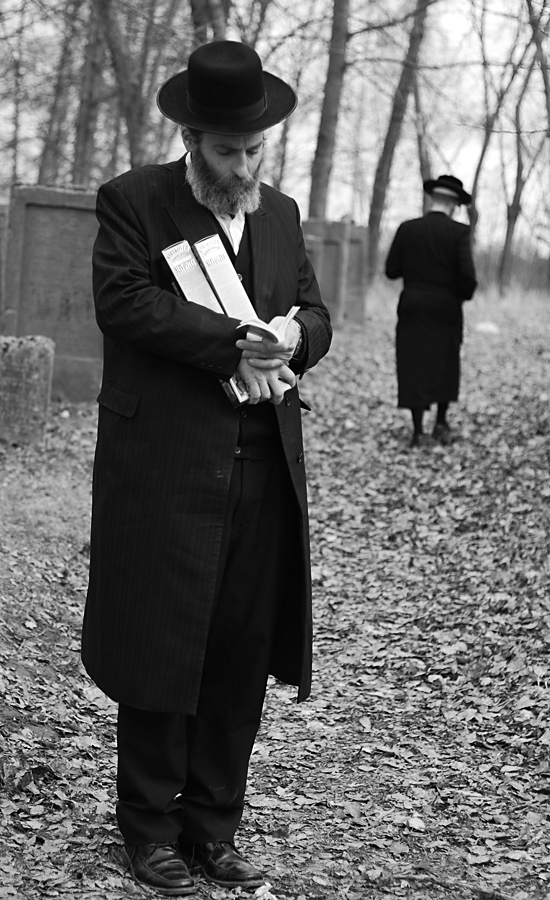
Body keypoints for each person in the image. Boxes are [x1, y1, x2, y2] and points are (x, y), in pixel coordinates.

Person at [81, 40, 332, 897]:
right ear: (190, 138)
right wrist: (234, 340)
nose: (245, 166)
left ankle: (213, 827)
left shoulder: (281, 213)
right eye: (229, 150)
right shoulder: (134, 201)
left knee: (238, 651)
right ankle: (150, 830)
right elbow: (124, 302)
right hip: (165, 463)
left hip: (263, 465)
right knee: (163, 644)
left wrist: (295, 335)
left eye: (255, 148)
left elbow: (315, 311)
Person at [385, 174, 477, 447]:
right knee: (444, 362)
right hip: (446, 307)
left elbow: (391, 270)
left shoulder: (407, 228)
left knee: (413, 362)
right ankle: (440, 423)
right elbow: (468, 277)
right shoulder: (460, 232)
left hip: (412, 305)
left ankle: (417, 432)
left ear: (433, 199)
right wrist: (460, 295)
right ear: (454, 205)